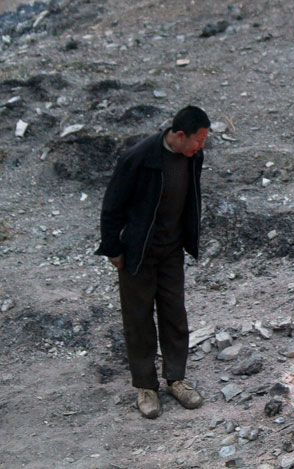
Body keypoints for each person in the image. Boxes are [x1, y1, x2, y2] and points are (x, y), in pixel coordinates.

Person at [95, 105, 211, 418]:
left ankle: (176, 379)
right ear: (180, 135)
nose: (201, 146)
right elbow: (112, 206)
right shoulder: (139, 158)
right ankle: (146, 386)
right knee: (139, 319)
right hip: (138, 252)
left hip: (171, 251)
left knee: (175, 314)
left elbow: (191, 198)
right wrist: (113, 249)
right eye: (198, 140)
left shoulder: (192, 158)